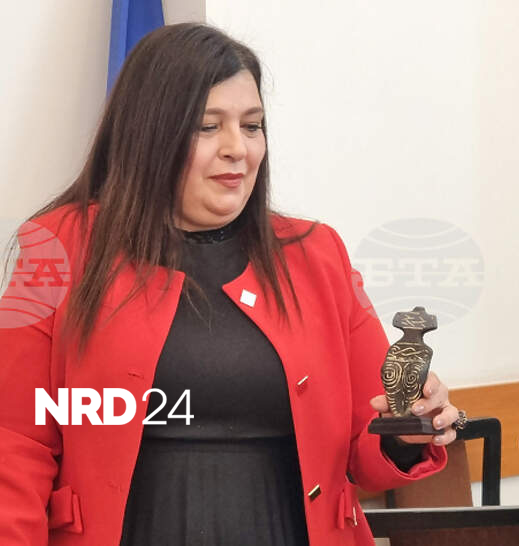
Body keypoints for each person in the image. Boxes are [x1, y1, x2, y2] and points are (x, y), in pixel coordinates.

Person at [0, 23, 464, 546]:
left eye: (252, 126)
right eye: (207, 126)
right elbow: (13, 443)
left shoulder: (317, 254)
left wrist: (408, 430)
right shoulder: (59, 247)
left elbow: (369, 443)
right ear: (148, 135)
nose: (237, 148)